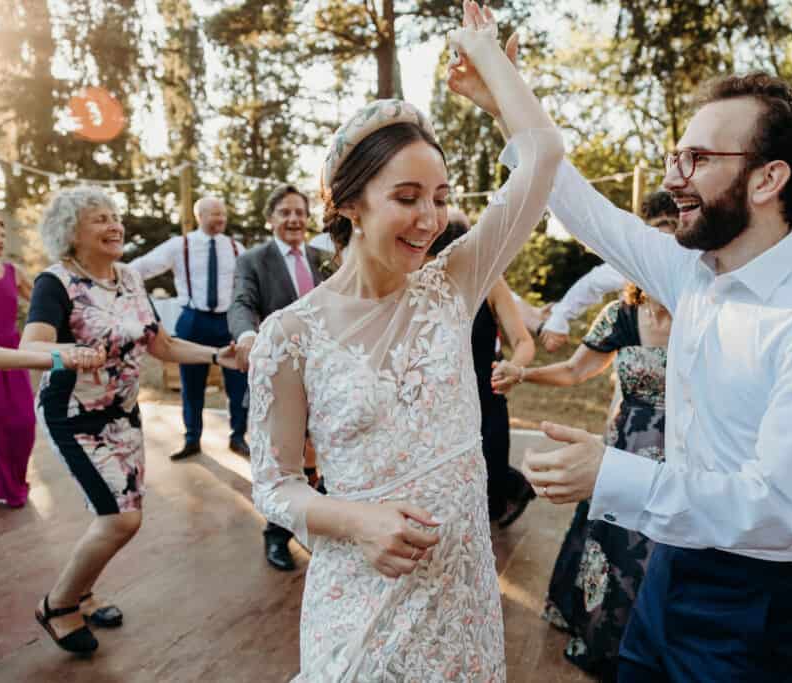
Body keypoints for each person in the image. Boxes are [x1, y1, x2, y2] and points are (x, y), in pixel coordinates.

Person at [466, 64, 792, 680]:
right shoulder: (691, 271)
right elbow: (583, 208)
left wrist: (609, 471)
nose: (674, 177)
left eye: (697, 158)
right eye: (677, 157)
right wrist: (504, 99)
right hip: (667, 566)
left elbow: (777, 508)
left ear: (767, 179)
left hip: (752, 599)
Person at [247, 2, 563, 677]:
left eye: (441, 197)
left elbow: (542, 155)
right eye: (408, 196)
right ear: (349, 203)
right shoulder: (290, 334)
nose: (431, 218)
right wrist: (357, 522)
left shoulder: (453, 285)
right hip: (360, 599)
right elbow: (274, 484)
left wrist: (492, 69)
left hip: (463, 600)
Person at [21, 186, 239, 655]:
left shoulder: (130, 279)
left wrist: (221, 355)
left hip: (123, 415)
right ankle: (57, 605)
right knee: (120, 519)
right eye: (100, 218)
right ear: (71, 233)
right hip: (74, 414)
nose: (115, 225)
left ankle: (83, 592)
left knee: (117, 518)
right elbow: (33, 347)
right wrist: (68, 352)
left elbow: (161, 345)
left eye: (115, 217)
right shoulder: (55, 283)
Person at [489, 193, 679, 678]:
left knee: (661, 555)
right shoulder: (621, 316)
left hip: (682, 454)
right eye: (653, 238)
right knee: (614, 551)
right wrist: (524, 374)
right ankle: (604, 639)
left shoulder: (703, 315)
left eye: (673, 238)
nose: (664, 248)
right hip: (621, 448)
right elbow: (576, 371)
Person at [228, 183, 326, 572]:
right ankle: (276, 536)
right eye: (284, 212)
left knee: (324, 453)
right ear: (271, 219)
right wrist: (248, 338)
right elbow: (241, 304)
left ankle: (319, 526)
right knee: (285, 461)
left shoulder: (324, 257)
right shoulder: (253, 260)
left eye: (300, 212)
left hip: (326, 372)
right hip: (281, 375)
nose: (293, 219)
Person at [428, 209, 537, 527]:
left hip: (485, 405)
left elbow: (523, 342)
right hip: (438, 413)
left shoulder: (490, 283)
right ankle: (516, 485)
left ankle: (511, 487)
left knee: (486, 502)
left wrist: (513, 368)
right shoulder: (420, 283)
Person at [129, 196, 249, 460]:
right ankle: (192, 438)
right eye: (214, 214)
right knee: (191, 383)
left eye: (223, 214)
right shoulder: (179, 245)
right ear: (199, 216)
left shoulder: (236, 247)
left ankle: (238, 436)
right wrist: (111, 279)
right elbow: (141, 267)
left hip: (228, 320)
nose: (220, 220)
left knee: (238, 381)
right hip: (193, 319)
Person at [538, 191, 679, 352]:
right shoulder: (636, 261)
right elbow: (592, 283)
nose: (662, 248)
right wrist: (559, 318)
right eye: (655, 238)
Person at [0, 214, 37, 508]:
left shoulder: (14, 271)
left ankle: (16, 481)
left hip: (13, 352)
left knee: (24, 422)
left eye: (0, 234)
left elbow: (42, 305)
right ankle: (3, 489)